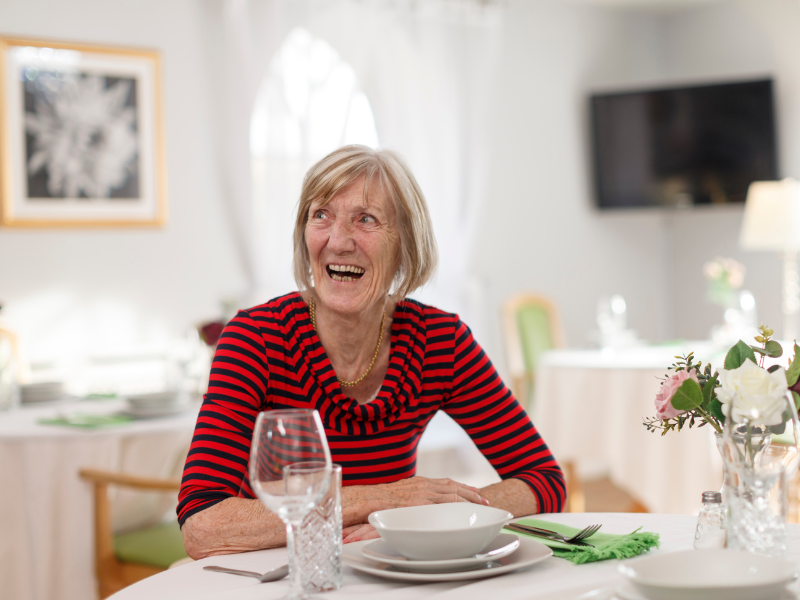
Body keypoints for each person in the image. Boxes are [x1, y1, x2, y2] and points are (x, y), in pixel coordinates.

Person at [178, 145, 565, 558]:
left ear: (405, 244)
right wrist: (383, 502)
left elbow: (544, 480)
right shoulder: (256, 338)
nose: (339, 241)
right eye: (321, 215)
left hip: (389, 577)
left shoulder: (439, 340)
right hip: (277, 577)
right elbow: (203, 524)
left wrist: (428, 519)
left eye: (366, 219)